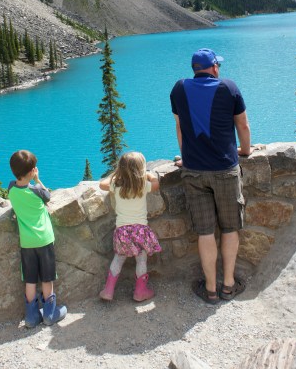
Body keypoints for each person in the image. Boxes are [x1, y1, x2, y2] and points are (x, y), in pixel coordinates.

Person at [170, 48, 252, 304]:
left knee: (205, 232)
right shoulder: (229, 88)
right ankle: (228, 285)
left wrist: (185, 157)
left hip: (193, 172)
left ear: (195, 69)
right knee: (229, 228)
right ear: (215, 67)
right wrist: (246, 151)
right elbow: (243, 126)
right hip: (225, 171)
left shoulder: (179, 89)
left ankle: (210, 290)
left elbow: (180, 127)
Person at [8, 150, 67, 328]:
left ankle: (32, 317)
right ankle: (50, 314)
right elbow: (48, 196)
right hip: (44, 240)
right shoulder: (36, 191)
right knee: (47, 278)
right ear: (32, 170)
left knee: (30, 279)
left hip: (27, 243)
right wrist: (37, 179)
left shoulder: (11, 188)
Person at [98, 151, 162, 302]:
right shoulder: (142, 186)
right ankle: (140, 292)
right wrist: (149, 175)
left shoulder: (116, 185)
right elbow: (156, 184)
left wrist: (116, 174)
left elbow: (102, 184)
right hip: (140, 231)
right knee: (141, 260)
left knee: (119, 259)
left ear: (120, 169)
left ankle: (108, 290)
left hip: (122, 232)